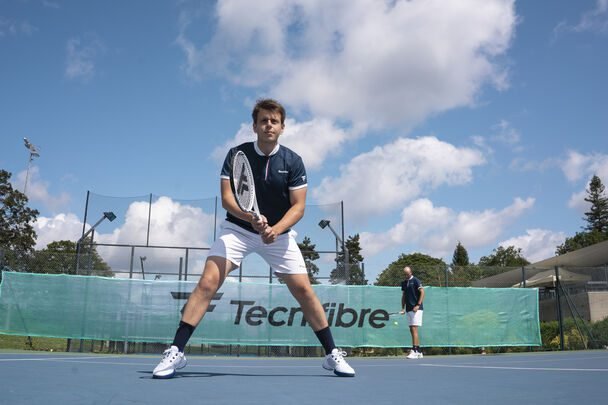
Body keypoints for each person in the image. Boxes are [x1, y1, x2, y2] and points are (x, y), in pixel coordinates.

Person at [153, 98, 355, 378]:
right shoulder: (237, 155)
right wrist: (249, 217)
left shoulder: (293, 161)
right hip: (237, 230)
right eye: (263, 121)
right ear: (255, 126)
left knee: (304, 290)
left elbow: (298, 207)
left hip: (279, 236)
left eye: (274, 121)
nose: (268, 125)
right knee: (208, 282)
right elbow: (227, 199)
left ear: (282, 127)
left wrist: (276, 229)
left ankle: (332, 354)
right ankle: (176, 351)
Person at [399, 266, 425, 359]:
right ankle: (419, 351)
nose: (406, 275)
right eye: (405, 274)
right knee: (411, 329)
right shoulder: (404, 283)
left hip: (416, 309)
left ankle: (414, 350)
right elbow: (404, 296)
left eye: (407, 274)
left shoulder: (416, 280)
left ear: (411, 272)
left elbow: (422, 292)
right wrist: (403, 308)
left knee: (414, 329)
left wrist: (418, 305)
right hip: (408, 309)